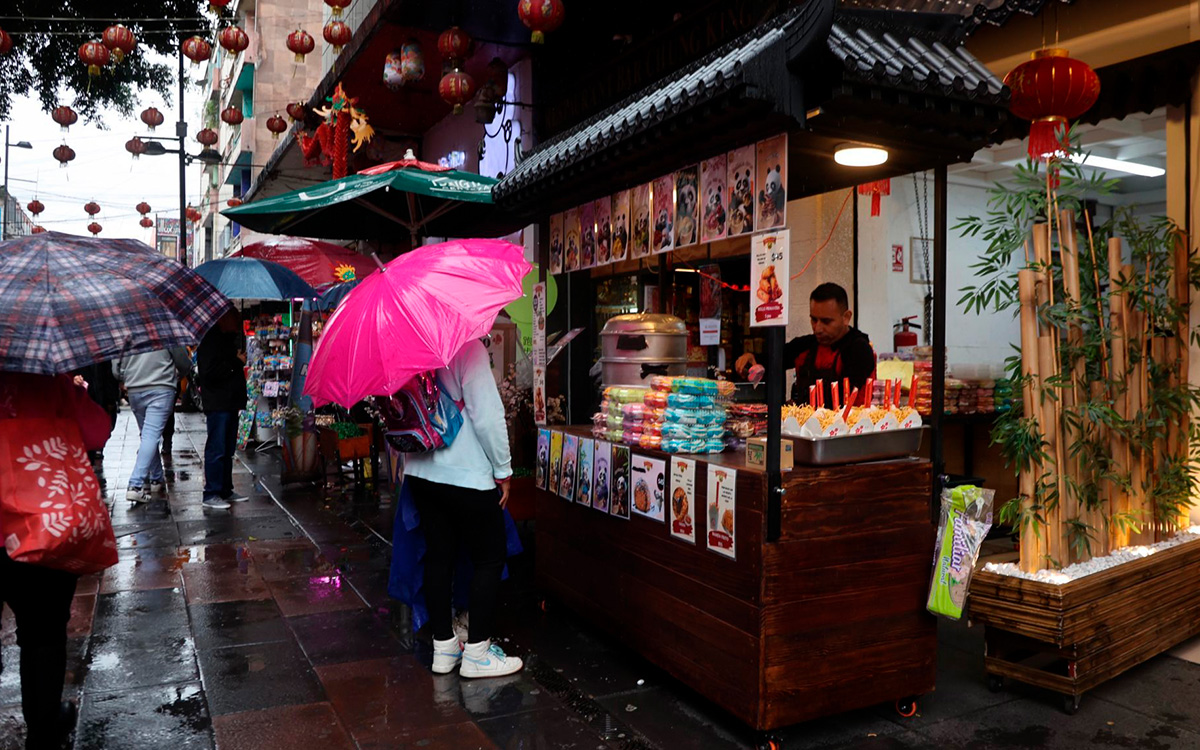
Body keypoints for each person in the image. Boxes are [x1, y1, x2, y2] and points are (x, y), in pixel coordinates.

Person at [0, 371, 113, 750]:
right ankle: (43, 725)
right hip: (41, 523)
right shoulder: (50, 380)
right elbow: (97, 432)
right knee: (43, 628)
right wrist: (76, 394)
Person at [405, 338, 522, 679]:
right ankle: (478, 653)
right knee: (489, 555)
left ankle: (444, 647)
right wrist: (504, 469)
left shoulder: (410, 346)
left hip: (421, 470)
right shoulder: (466, 347)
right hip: (466, 471)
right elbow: (486, 414)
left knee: (439, 556)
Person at [736, 282, 876, 405]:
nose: (818, 328)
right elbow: (773, 360)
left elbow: (838, 401)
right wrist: (751, 359)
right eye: (814, 320)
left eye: (826, 321)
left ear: (846, 317)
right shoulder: (806, 345)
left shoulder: (859, 349)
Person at [112, 346, 193, 502]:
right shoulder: (165, 329)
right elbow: (184, 362)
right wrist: (176, 376)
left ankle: (156, 478)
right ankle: (135, 485)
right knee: (151, 435)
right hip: (161, 386)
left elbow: (116, 369)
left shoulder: (127, 333)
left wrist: (128, 376)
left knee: (148, 435)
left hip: (135, 388)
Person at [196, 310, 248, 510]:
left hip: (229, 401)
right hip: (219, 402)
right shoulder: (211, 340)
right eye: (234, 318)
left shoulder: (225, 339)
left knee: (227, 448)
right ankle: (212, 492)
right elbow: (209, 373)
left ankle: (225, 489)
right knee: (217, 448)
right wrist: (236, 363)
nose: (237, 323)